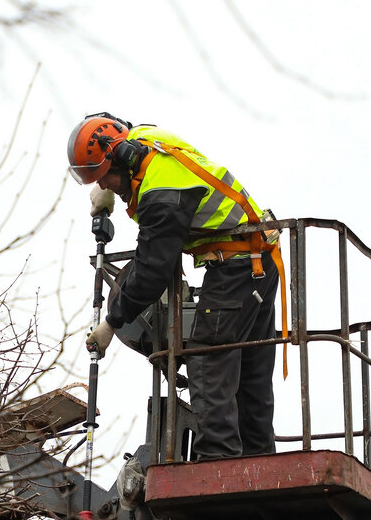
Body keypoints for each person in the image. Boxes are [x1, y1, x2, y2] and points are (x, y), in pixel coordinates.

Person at [66, 113, 282, 460]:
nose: (107, 187)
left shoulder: (161, 193)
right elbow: (122, 124)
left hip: (237, 268)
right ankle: (260, 463)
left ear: (121, 158)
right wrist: (100, 186)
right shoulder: (147, 140)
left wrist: (112, 322)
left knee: (207, 358)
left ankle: (218, 464)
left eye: (105, 179)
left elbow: (153, 269)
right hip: (259, 260)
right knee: (249, 374)